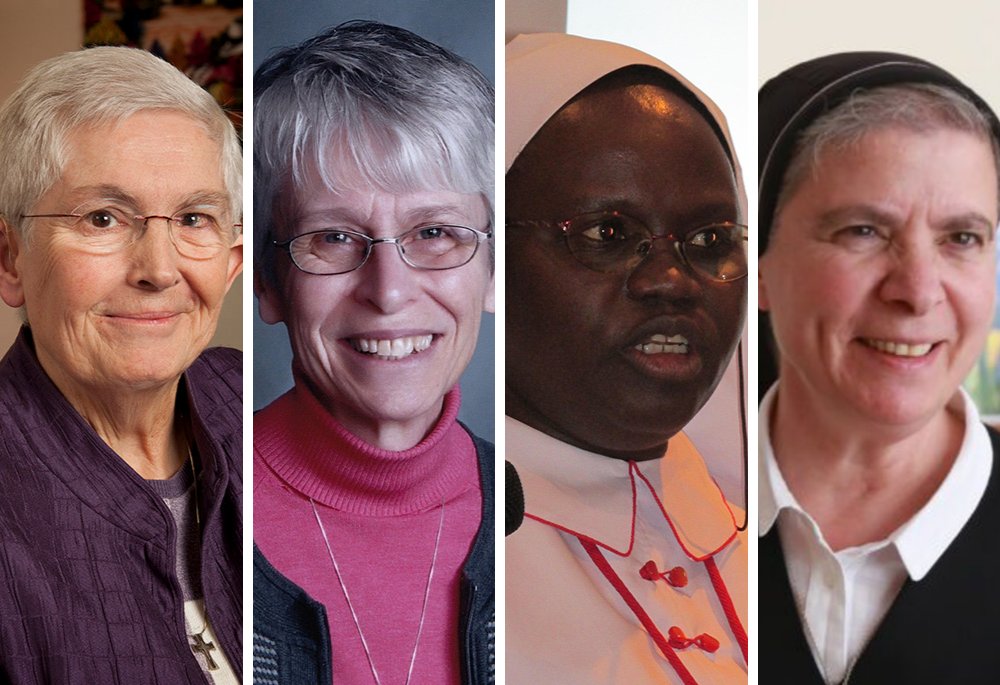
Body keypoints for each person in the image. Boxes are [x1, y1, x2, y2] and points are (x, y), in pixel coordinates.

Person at [251, 21, 495, 685]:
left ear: (494, 271)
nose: (388, 292)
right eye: (332, 237)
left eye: (435, 232)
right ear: (268, 284)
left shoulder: (542, 522)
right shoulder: (195, 512)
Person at [505, 33, 749, 684]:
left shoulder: (774, 546)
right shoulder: (434, 566)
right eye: (608, 234)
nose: (672, 279)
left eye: (710, 240)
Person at [0, 47, 244, 684]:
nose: (159, 270)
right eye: (103, 218)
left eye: (194, 218)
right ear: (9, 259)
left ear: (232, 259)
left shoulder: (256, 407)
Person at [758, 52, 1000, 684]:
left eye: (962, 238)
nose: (918, 291)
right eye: (863, 230)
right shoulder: (646, 519)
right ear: (757, 264)